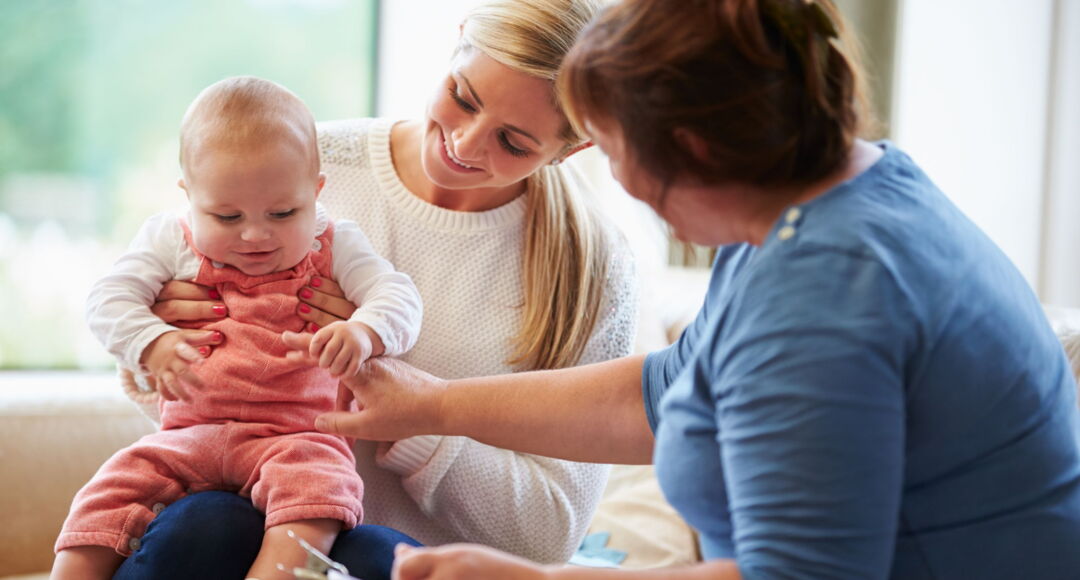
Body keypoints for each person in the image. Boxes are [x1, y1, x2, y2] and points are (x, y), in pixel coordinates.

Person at [311, 0, 1080, 579]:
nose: (608, 176)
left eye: (607, 146)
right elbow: (671, 391)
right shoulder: (832, 197)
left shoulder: (827, 300)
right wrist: (431, 405)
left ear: (693, 150)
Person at [110, 1, 638, 579]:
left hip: (405, 560)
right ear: (456, 42)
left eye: (513, 143)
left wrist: (420, 420)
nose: (464, 144)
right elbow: (167, 391)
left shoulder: (592, 267)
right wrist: (163, 343)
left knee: (378, 561)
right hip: (235, 519)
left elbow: (551, 533)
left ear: (572, 148)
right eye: (463, 97)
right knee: (204, 525)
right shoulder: (299, 163)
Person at [53, 76, 423, 580]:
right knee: (111, 490)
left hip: (295, 435)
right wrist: (152, 340)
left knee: (320, 491)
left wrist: (365, 332)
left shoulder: (336, 244)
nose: (254, 234)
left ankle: (275, 572)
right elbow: (107, 299)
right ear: (190, 197)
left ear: (316, 193)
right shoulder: (171, 238)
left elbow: (398, 296)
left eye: (283, 212)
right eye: (226, 216)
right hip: (189, 434)